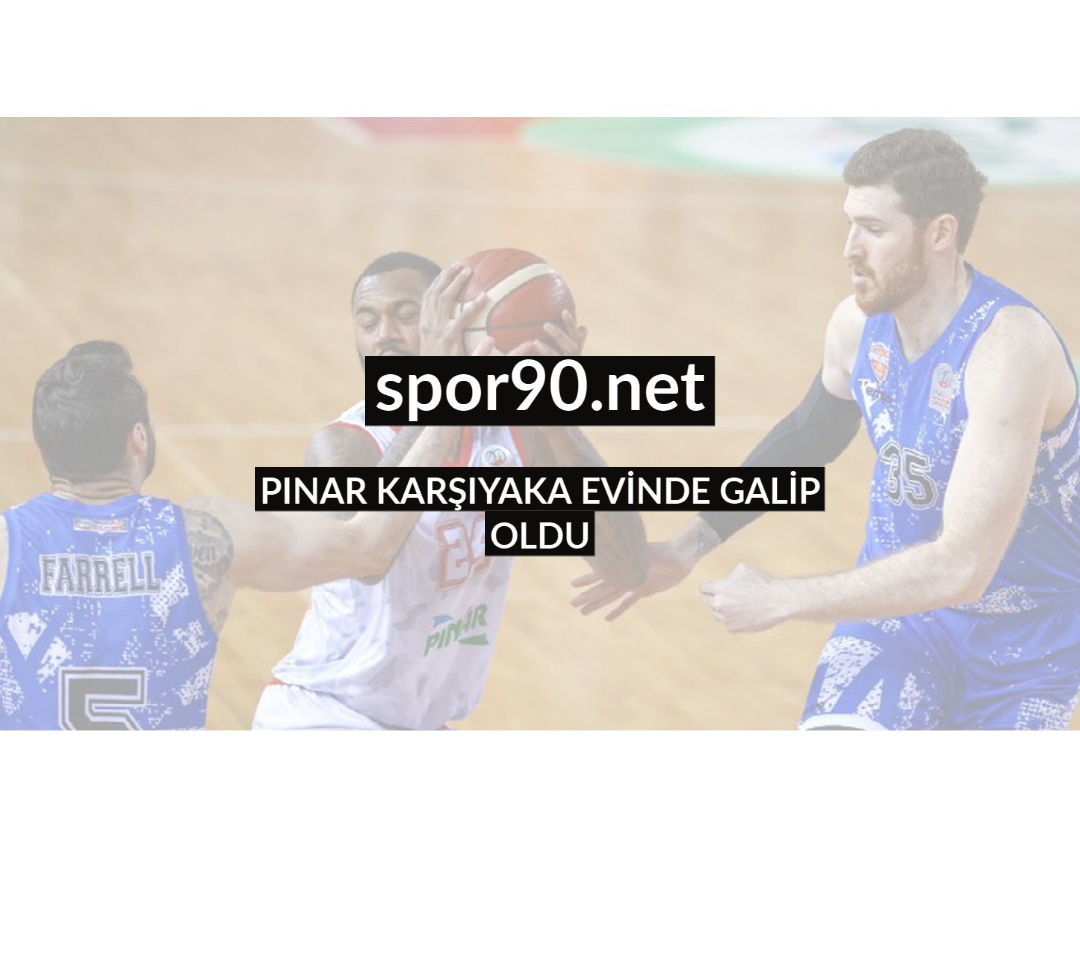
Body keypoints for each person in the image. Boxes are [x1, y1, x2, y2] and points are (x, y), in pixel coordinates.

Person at [573, 128, 1080, 730]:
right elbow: (810, 434)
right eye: (849, 224)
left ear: (940, 233)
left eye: (873, 229)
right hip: (898, 623)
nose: (848, 249)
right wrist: (691, 543)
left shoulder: (1008, 350)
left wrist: (783, 597)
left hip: (1025, 650)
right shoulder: (856, 326)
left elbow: (962, 568)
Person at [252, 251, 648, 730]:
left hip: (420, 724)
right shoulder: (345, 444)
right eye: (368, 322)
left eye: (406, 315)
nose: (383, 335)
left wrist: (558, 415)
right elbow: (366, 556)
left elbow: (627, 567)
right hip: (324, 714)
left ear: (461, 322)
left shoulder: (514, 434)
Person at [0, 340, 463, 729]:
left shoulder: (8, 543)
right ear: (138, 437)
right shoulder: (206, 535)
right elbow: (370, 545)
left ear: (46, 444)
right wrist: (444, 393)